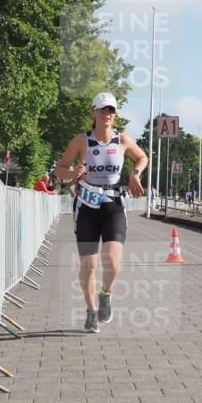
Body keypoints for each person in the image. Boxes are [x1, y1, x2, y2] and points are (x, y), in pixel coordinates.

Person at [54, 91, 147, 333]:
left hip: (113, 204)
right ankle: (91, 311)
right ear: (93, 112)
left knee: (112, 261)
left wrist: (135, 174)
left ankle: (105, 294)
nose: (107, 114)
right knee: (89, 265)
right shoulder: (81, 141)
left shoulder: (122, 140)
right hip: (86, 205)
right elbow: (60, 170)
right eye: (103, 109)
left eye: (112, 110)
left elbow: (142, 157)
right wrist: (73, 173)